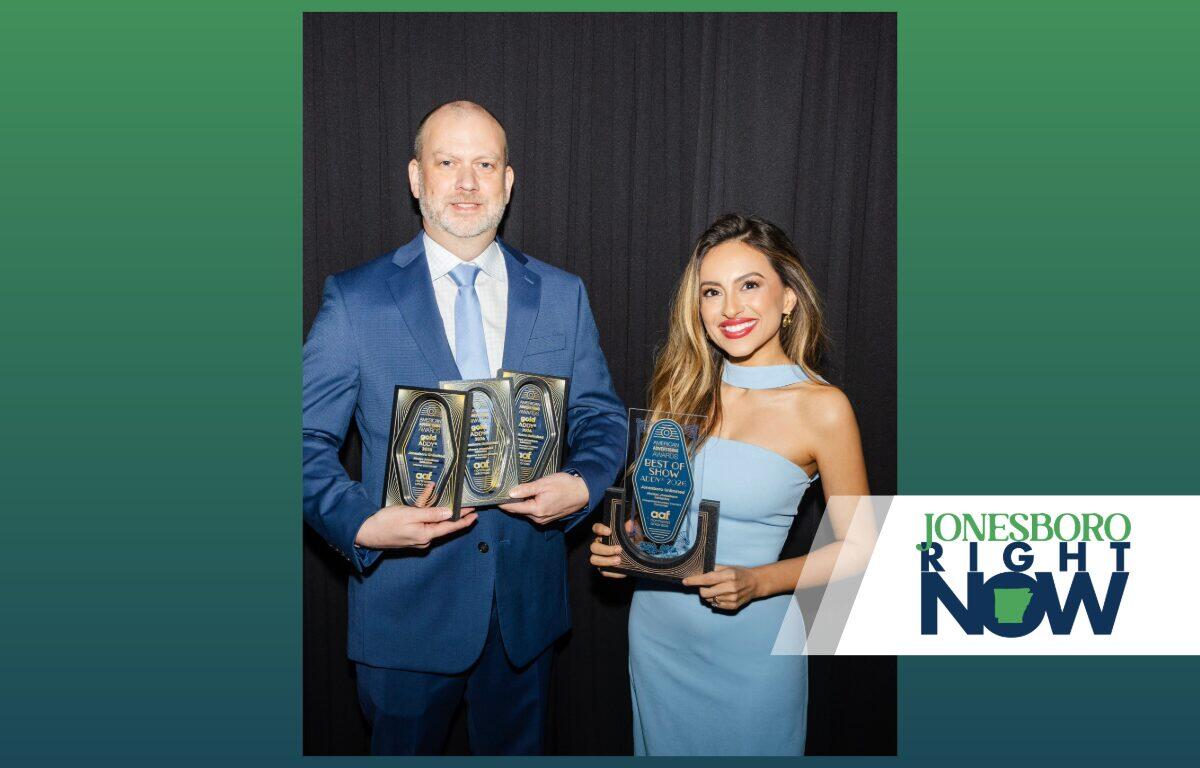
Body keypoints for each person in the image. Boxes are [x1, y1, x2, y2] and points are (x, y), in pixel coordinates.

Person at [303, 100, 625, 755]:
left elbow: (602, 418)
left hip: (524, 621)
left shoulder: (564, 295)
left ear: (510, 182)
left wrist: (581, 484)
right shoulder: (355, 299)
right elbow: (300, 444)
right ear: (417, 178)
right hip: (404, 614)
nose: (468, 182)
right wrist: (361, 523)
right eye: (448, 163)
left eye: (485, 164)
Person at [589, 213, 872, 756]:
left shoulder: (823, 408)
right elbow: (663, 523)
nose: (730, 309)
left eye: (750, 285)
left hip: (752, 649)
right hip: (657, 639)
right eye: (711, 292)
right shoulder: (678, 390)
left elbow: (862, 548)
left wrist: (761, 581)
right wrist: (631, 545)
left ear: (788, 297)